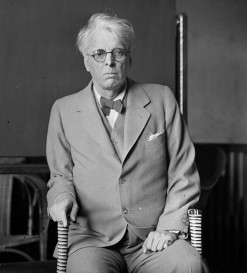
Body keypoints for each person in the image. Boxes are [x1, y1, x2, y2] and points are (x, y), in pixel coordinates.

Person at [46, 12, 206, 273]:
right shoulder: (63, 110)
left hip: (152, 237)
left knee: (187, 264)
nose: (109, 61)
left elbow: (183, 173)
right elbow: (60, 175)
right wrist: (62, 198)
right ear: (87, 61)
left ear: (129, 58)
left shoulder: (162, 99)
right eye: (99, 53)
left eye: (118, 52)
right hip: (92, 240)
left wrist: (168, 227)